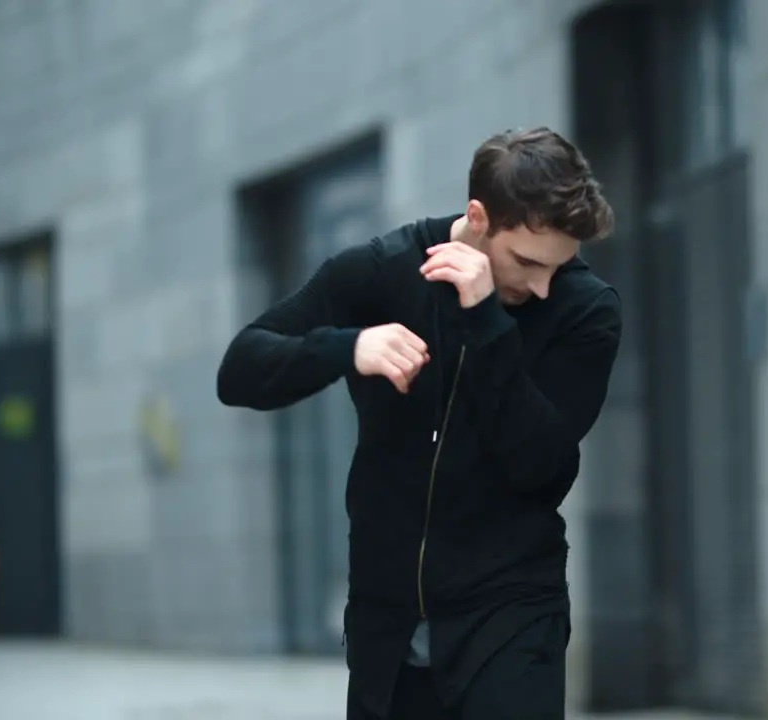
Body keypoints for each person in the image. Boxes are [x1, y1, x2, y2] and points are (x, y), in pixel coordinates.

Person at [215, 127, 620, 719]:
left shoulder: (586, 311)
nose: (541, 286)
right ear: (478, 217)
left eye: (557, 267)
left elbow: (540, 466)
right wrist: (346, 348)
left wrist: (486, 319)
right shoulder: (384, 272)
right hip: (389, 625)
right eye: (527, 262)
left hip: (509, 617)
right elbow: (240, 369)